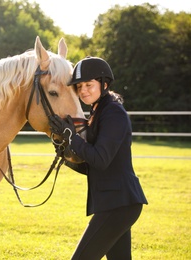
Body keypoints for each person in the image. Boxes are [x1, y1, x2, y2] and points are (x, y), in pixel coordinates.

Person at [51, 56, 148, 260]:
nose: (83, 90)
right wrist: (65, 152)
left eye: (89, 84)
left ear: (104, 84)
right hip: (115, 202)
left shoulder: (113, 112)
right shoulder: (99, 110)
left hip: (119, 203)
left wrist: (72, 138)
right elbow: (93, 166)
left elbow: (100, 158)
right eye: (79, 86)